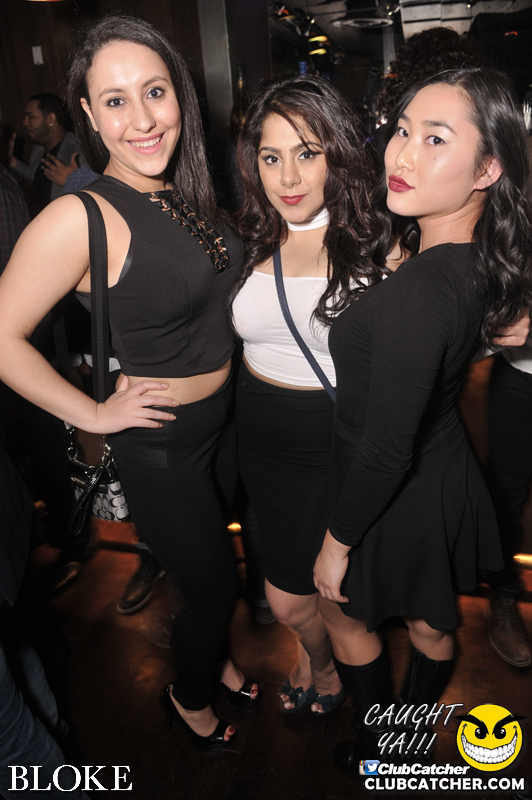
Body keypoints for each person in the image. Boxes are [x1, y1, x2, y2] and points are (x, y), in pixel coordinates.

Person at [0, 14, 258, 753]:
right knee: (214, 586)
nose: (142, 119)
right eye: (115, 100)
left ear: (180, 94)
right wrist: (93, 414)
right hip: (161, 444)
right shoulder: (79, 216)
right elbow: (3, 337)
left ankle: (219, 657)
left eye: (155, 91)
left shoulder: (183, 190)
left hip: (223, 425)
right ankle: (190, 696)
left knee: (206, 570)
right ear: (87, 114)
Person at [312, 67, 532, 768]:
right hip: (439, 472)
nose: (401, 155)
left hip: (393, 484)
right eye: (402, 130)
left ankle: (384, 744)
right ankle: (402, 742)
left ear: (488, 169)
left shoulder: (423, 290)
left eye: (435, 139)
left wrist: (336, 543)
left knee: (341, 609)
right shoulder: (473, 258)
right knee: (433, 623)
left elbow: (384, 448)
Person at [232, 75, 387, 714]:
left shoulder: (380, 245)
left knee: (331, 603)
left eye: (306, 153)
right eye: (271, 158)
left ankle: (347, 696)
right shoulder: (247, 237)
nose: (288, 177)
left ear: (337, 156)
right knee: (290, 600)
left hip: (334, 448)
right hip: (260, 447)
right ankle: (316, 659)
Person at [8, 93, 85, 215]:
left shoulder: (79, 148)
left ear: (50, 119)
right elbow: (35, 180)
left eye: (30, 117)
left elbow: (102, 189)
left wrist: (74, 181)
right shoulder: (38, 149)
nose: (25, 122)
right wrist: (11, 161)